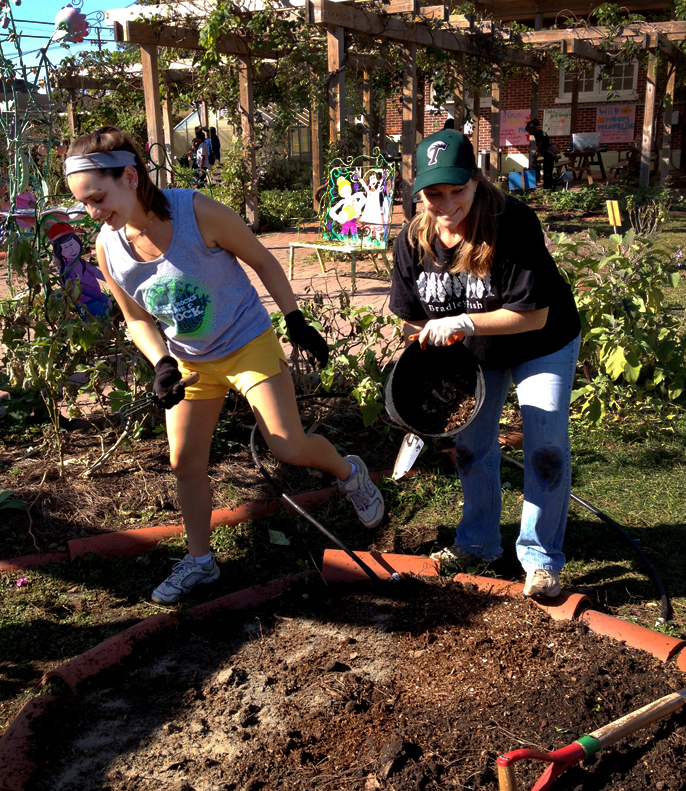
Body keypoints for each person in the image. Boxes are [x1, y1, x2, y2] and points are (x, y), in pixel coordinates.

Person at [64, 127, 384, 604]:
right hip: (191, 362)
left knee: (287, 445)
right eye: (84, 204)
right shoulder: (108, 247)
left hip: (246, 341)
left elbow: (263, 260)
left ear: (130, 176)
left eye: (98, 197)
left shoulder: (197, 212)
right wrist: (161, 364)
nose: (93, 212)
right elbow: (135, 317)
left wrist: (295, 321)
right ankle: (200, 561)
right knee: (184, 461)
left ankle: (349, 473)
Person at [389, 129, 581, 598]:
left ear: (476, 180)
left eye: (458, 190)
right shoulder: (411, 244)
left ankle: (539, 559)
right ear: (419, 193)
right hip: (475, 355)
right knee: (473, 448)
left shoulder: (510, 222)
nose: (448, 203)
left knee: (545, 446)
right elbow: (413, 319)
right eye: (435, 193)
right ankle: (478, 541)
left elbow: (533, 315)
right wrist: (429, 349)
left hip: (541, 342)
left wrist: (465, 323)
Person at [525, 119, 557, 190]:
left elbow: (539, 147)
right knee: (547, 170)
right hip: (549, 154)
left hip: (549, 155)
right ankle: (549, 186)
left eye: (529, 130)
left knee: (547, 172)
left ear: (533, 128)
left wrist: (534, 160)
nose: (528, 132)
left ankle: (548, 187)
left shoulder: (539, 135)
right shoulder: (540, 133)